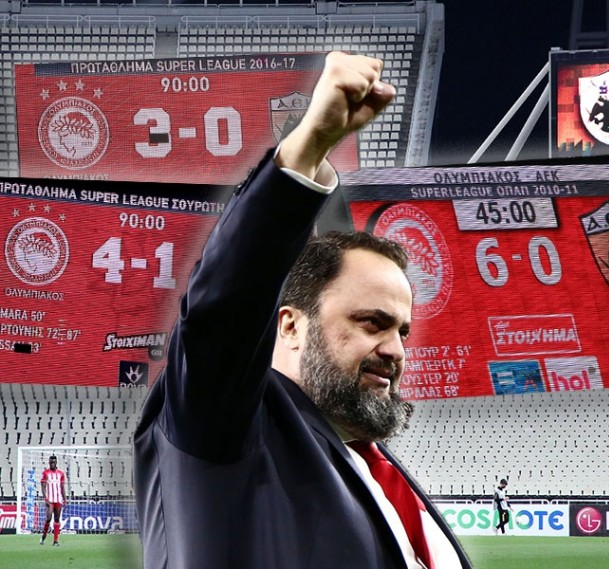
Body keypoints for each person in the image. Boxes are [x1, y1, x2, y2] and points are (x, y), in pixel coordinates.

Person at [133, 51, 471, 569]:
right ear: (289, 325)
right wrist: (309, 146)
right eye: (372, 323)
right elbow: (223, 309)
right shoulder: (225, 426)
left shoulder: (369, 467)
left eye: (402, 331)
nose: (395, 350)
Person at [39, 455, 66, 546]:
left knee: (57, 519)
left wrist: (65, 499)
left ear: (56, 463)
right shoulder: (45, 473)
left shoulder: (61, 474)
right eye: (50, 462)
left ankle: (55, 541)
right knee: (48, 518)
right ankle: (44, 536)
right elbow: (43, 487)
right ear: (49, 463)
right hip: (50, 500)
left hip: (58, 499)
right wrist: (45, 498)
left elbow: (62, 487)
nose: (52, 464)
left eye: (53, 462)